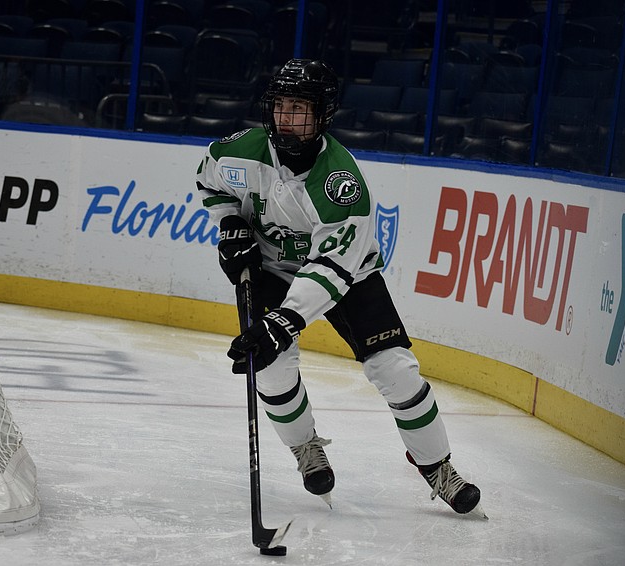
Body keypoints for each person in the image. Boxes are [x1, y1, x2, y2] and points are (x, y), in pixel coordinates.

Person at [195, 59, 484, 516]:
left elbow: (332, 268)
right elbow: (209, 181)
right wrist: (230, 222)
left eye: (299, 109)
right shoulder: (239, 152)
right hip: (271, 269)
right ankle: (306, 447)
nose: (286, 119)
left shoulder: (341, 182)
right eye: (280, 107)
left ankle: (437, 467)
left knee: (396, 369)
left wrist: (284, 321)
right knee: (270, 369)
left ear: (322, 114)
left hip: (347, 275)